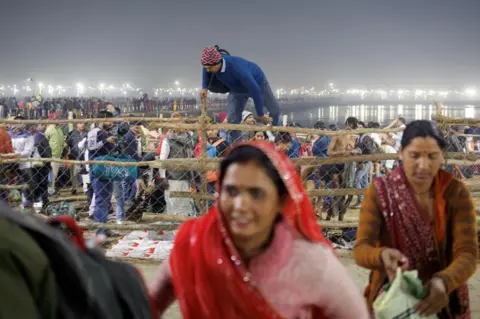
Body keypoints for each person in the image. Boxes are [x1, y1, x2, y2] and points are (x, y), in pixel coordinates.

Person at [149, 141, 370, 319]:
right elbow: (147, 306)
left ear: (281, 201)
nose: (240, 206)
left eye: (256, 194)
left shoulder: (310, 262)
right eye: (231, 191)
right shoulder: (194, 242)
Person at [354, 120, 478, 318]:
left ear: (442, 156)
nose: (423, 164)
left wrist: (443, 282)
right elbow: (361, 249)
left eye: (432, 156)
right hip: (392, 297)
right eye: (415, 155)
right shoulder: (380, 192)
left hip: (443, 299)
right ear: (401, 152)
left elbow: (468, 253)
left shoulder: (455, 192)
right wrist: (382, 255)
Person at [200, 46, 281, 142]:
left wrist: (260, 113)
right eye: (206, 68)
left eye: (209, 68)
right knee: (232, 121)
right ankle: (237, 146)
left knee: (275, 110)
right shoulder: (211, 63)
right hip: (237, 89)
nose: (208, 70)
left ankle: (275, 131)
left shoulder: (238, 69)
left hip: (257, 83)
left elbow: (256, 90)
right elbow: (205, 69)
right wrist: (204, 87)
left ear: (217, 63)